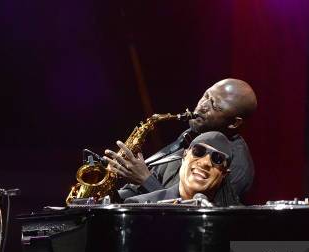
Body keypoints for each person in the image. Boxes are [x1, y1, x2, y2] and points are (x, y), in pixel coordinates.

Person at [103, 78, 257, 202]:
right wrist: (104, 197)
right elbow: (142, 188)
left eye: (214, 106)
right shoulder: (189, 136)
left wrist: (145, 179)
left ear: (234, 123)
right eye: (206, 96)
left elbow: (201, 212)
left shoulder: (237, 164)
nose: (202, 106)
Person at [124, 131, 238, 206]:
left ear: (224, 174)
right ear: (184, 156)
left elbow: (248, 244)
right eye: (199, 151)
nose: (205, 162)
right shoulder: (139, 206)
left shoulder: (240, 220)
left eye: (217, 158)